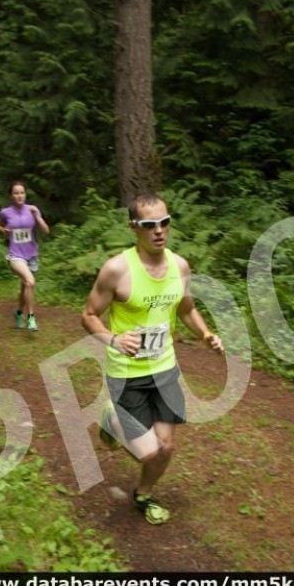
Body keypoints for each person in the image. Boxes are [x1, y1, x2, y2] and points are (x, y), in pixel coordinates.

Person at [81, 191, 223, 525]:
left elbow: (186, 309)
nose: (158, 230)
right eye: (149, 225)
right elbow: (88, 315)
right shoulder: (117, 270)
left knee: (166, 448)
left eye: (164, 222)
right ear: (134, 227)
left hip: (165, 370)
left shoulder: (180, 266)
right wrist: (114, 339)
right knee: (149, 452)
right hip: (127, 373)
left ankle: (143, 495)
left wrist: (205, 334)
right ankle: (111, 420)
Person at [0, 180, 50, 331]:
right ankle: (31, 319)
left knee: (25, 287)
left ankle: (19, 313)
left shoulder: (32, 210)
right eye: (16, 193)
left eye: (22, 193)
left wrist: (37, 216)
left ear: (25, 194)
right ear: (11, 196)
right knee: (30, 282)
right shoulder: (5, 212)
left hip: (32, 256)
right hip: (15, 256)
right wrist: (2, 230)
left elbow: (46, 231)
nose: (19, 196)